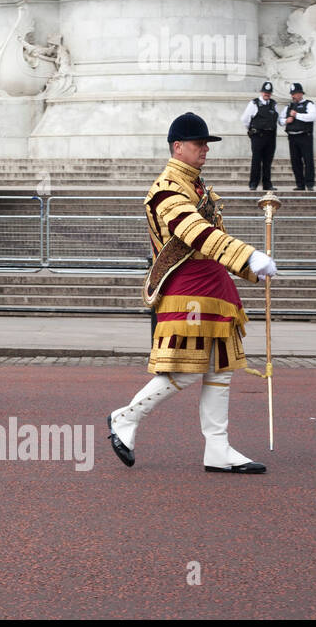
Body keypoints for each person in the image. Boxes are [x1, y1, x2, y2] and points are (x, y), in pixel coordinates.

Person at [108, 112, 276, 473]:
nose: (205, 150)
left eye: (206, 144)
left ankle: (217, 449)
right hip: (187, 291)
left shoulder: (200, 188)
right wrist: (248, 254)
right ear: (178, 146)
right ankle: (125, 417)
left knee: (219, 370)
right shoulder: (167, 189)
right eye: (199, 144)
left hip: (215, 289)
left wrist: (249, 269)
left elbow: (213, 243)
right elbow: (196, 234)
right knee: (183, 371)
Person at [239, 81, 279, 191]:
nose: (267, 94)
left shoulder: (273, 104)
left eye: (269, 93)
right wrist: (251, 130)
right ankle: (253, 183)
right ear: (261, 92)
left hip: (270, 136)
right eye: (265, 92)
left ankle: (267, 184)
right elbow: (245, 119)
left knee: (268, 161)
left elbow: (276, 118)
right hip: (258, 136)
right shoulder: (254, 103)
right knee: (256, 160)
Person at [283, 82, 316, 191]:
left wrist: (297, 115)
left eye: (296, 94)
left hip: (304, 136)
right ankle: (300, 184)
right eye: (292, 94)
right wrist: (286, 120)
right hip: (292, 137)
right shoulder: (289, 106)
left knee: (308, 160)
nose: (293, 96)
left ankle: (310, 184)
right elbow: (280, 119)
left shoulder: (309, 104)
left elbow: (312, 117)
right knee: (295, 162)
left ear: (301, 94)